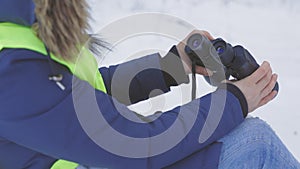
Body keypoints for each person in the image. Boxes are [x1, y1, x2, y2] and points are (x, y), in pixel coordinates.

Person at [0, 0, 299, 169]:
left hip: (86, 158)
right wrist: (234, 101)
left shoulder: (16, 31)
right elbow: (130, 144)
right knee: (255, 144)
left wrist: (170, 68)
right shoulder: (11, 69)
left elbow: (71, 100)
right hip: (101, 159)